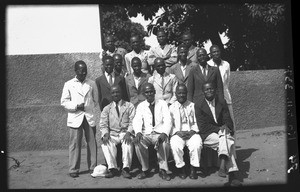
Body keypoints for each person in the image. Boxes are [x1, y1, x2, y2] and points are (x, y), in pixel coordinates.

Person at [194, 82, 242, 186]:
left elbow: (228, 119)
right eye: (206, 89)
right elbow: (203, 127)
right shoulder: (198, 105)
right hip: (207, 134)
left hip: (221, 134)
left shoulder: (221, 101)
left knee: (225, 138)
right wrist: (219, 129)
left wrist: (226, 127)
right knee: (227, 140)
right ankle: (231, 172)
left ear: (215, 90)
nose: (209, 91)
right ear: (203, 92)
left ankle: (223, 167)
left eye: (211, 88)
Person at [60, 60, 98, 178]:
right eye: (81, 71)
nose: (83, 73)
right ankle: (73, 169)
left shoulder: (91, 83)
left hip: (89, 116)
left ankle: (93, 167)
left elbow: (96, 100)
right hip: (75, 117)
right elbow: (64, 102)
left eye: (85, 71)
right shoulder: (69, 84)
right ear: (75, 71)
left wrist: (88, 107)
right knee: (75, 143)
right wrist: (76, 106)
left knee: (92, 142)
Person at [133, 83, 172, 181]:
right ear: (143, 94)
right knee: (138, 142)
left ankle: (163, 169)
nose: (149, 94)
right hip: (147, 134)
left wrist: (165, 133)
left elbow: (168, 119)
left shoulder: (162, 103)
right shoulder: (141, 106)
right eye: (147, 92)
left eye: (151, 91)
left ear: (154, 92)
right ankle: (145, 169)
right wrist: (138, 132)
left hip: (159, 133)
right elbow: (137, 120)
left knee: (164, 143)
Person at [99, 85, 136, 179]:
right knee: (105, 143)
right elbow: (103, 124)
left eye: (117, 92)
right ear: (110, 94)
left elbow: (133, 121)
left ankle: (126, 169)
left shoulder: (129, 106)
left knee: (128, 142)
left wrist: (129, 132)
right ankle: (113, 168)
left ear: (121, 93)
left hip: (125, 132)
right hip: (113, 134)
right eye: (113, 92)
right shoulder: (107, 108)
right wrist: (105, 134)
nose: (115, 94)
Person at [208, 44, 237, 158]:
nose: (216, 54)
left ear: (220, 52)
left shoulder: (226, 64)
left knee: (231, 124)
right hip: (213, 98)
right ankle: (220, 155)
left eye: (217, 51)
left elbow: (227, 82)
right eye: (213, 52)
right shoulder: (208, 65)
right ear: (210, 54)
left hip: (226, 97)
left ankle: (233, 154)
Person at [169, 84, 201, 180]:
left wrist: (193, 131)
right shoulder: (171, 107)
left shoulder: (192, 106)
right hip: (178, 132)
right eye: (179, 93)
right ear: (176, 94)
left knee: (196, 144)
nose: (181, 95)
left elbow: (197, 122)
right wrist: (177, 132)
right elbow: (169, 124)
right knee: (175, 145)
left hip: (191, 131)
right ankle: (181, 168)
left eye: (184, 93)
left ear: (187, 93)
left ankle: (193, 169)